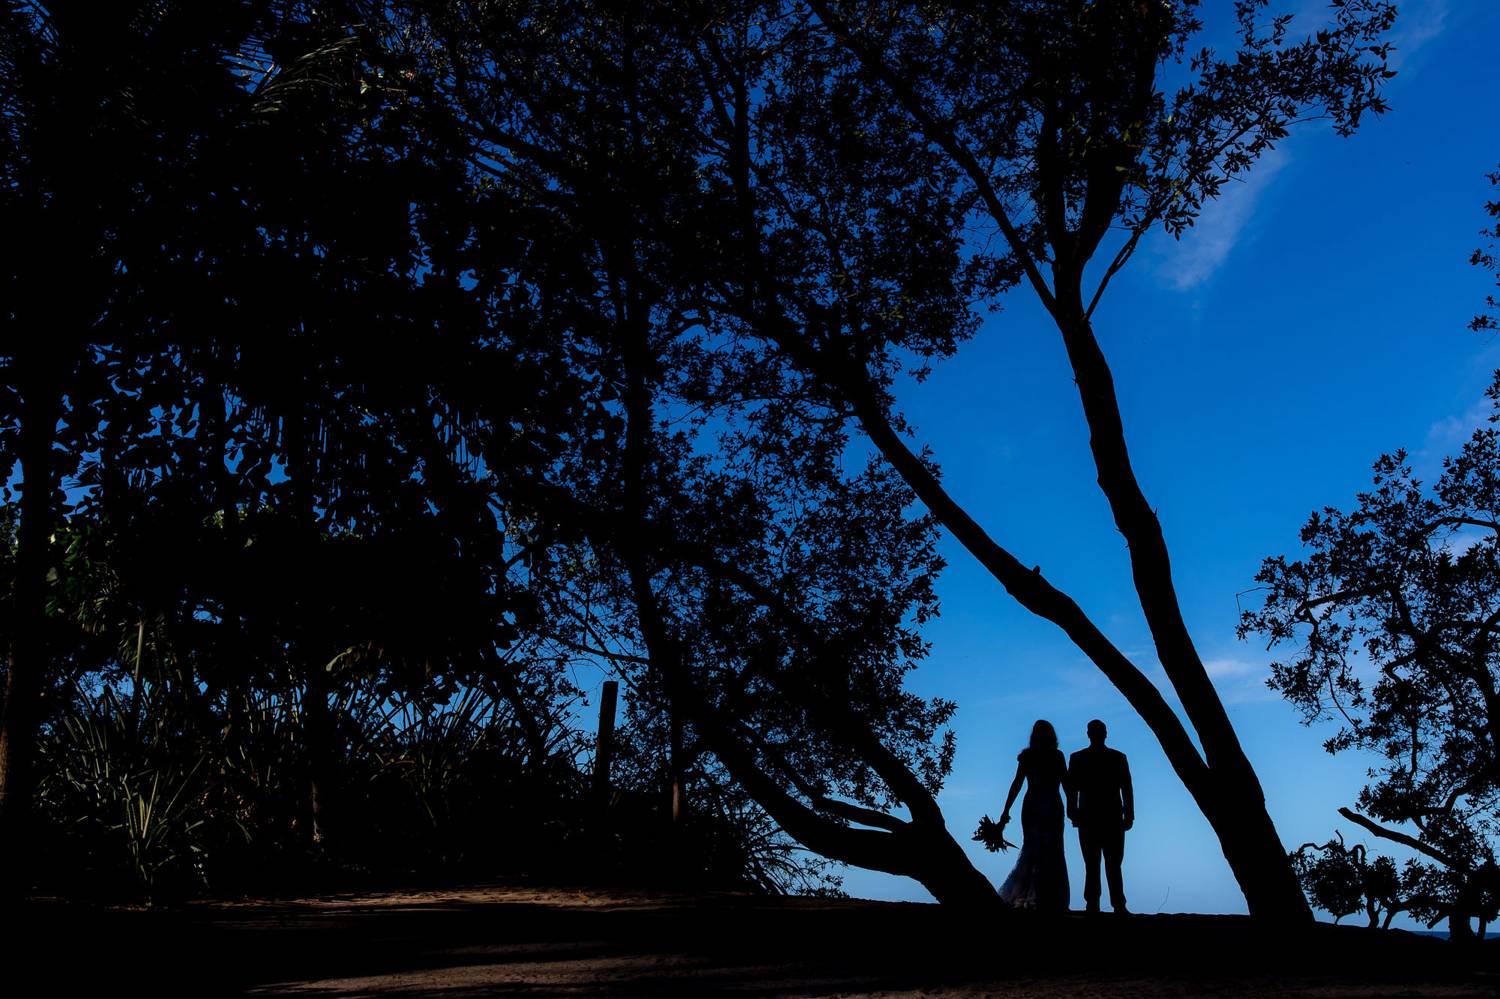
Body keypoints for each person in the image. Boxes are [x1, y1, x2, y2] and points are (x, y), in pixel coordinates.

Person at [995, 719, 1069, 911]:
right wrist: (1005, 810)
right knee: (1042, 851)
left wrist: (1006, 812)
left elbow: (1018, 783)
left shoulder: (1037, 756)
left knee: (1045, 851)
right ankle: (1042, 897)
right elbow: (1018, 783)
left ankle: (1045, 897)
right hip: (1042, 805)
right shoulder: (1051, 756)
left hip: (1043, 805)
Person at [1067, 719, 1133, 915]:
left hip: (1095, 817)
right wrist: (1129, 815)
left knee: (1097, 863)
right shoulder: (1117, 758)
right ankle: (1112, 904)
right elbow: (1127, 789)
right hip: (1105, 817)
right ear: (1105, 734)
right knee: (1107, 863)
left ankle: (1098, 904)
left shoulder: (1079, 758)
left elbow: (1072, 790)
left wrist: (1073, 812)